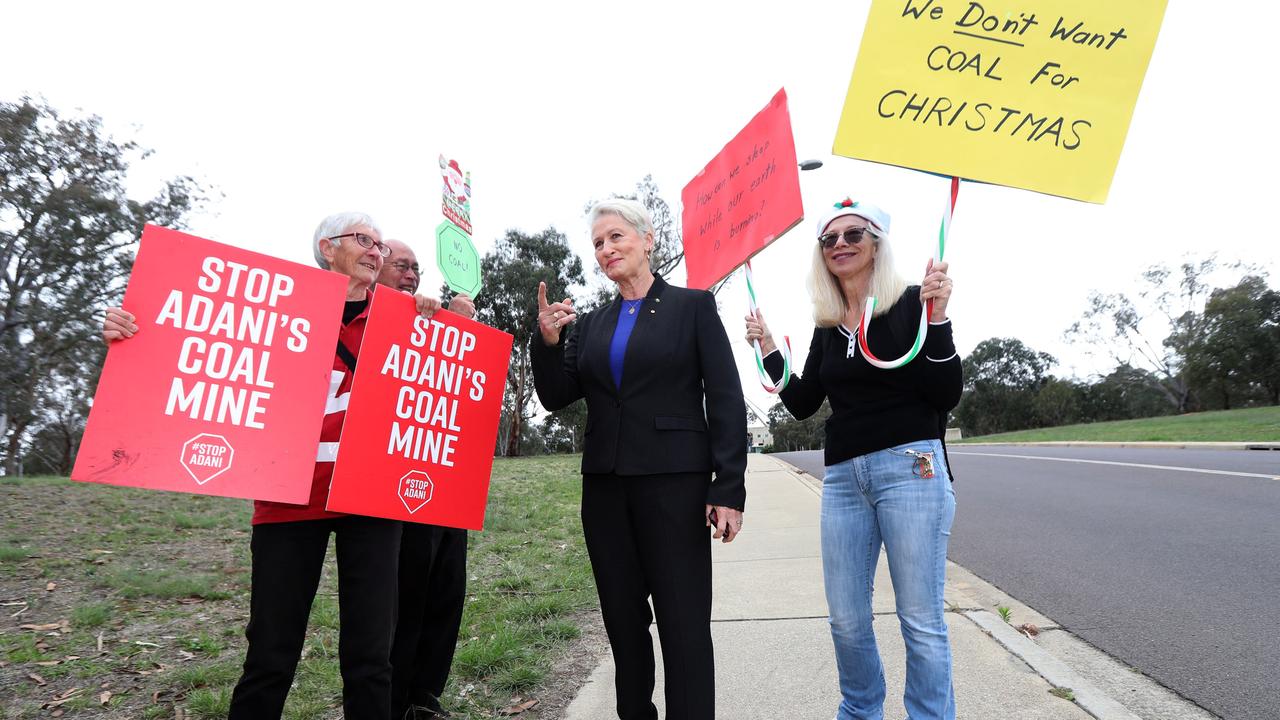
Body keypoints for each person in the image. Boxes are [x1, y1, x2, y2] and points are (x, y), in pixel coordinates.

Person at [102, 212, 449, 719]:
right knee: (270, 653)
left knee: (371, 659)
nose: (376, 250)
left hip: (370, 499)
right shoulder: (272, 309)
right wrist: (129, 332)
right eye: (363, 240)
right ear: (327, 250)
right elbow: (187, 337)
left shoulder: (403, 315)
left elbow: (450, 371)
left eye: (379, 242)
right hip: (288, 499)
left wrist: (444, 316)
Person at [743, 198, 961, 720]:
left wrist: (939, 318)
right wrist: (770, 345)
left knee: (920, 617)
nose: (840, 244)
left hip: (911, 468)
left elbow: (944, 392)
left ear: (876, 243)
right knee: (845, 619)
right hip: (844, 478)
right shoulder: (827, 324)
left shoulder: (912, 302)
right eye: (829, 239)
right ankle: (861, 711)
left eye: (853, 235)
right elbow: (801, 402)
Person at [530, 198, 748, 720]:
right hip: (605, 490)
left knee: (683, 623)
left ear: (647, 240)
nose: (606, 250)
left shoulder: (693, 307)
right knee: (623, 625)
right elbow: (556, 396)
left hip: (675, 487)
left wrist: (728, 487)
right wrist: (546, 342)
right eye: (598, 244)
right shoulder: (592, 324)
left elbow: (724, 397)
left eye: (616, 238)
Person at [377, 238, 473, 720]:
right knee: (406, 597)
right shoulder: (376, 315)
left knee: (447, 591)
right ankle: (394, 701)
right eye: (401, 266)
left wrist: (459, 325)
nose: (411, 274)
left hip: (445, 481)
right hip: (393, 485)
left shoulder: (432, 321)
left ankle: (425, 698)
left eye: (416, 267)